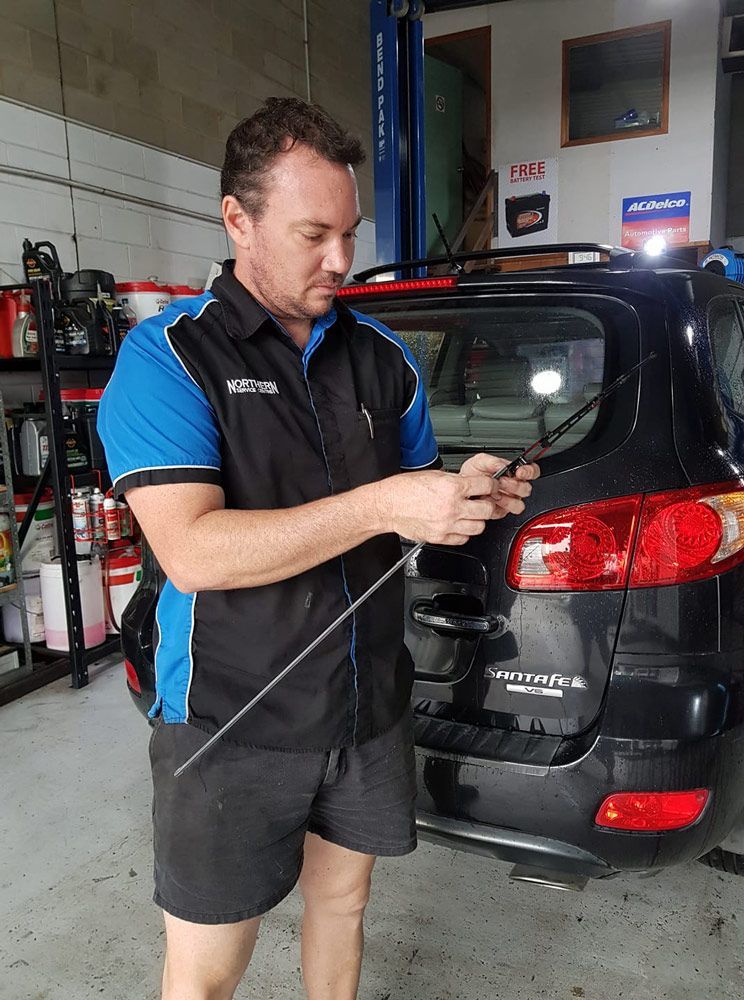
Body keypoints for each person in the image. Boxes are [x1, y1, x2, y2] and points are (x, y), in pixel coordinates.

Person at [98, 97, 540, 1000]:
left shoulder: (383, 360)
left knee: (342, 904)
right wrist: (385, 499)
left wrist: (468, 496)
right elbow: (195, 554)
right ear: (237, 218)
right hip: (229, 719)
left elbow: (407, 516)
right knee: (208, 968)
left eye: (349, 232)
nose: (341, 260)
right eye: (313, 234)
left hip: (366, 700)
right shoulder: (167, 359)